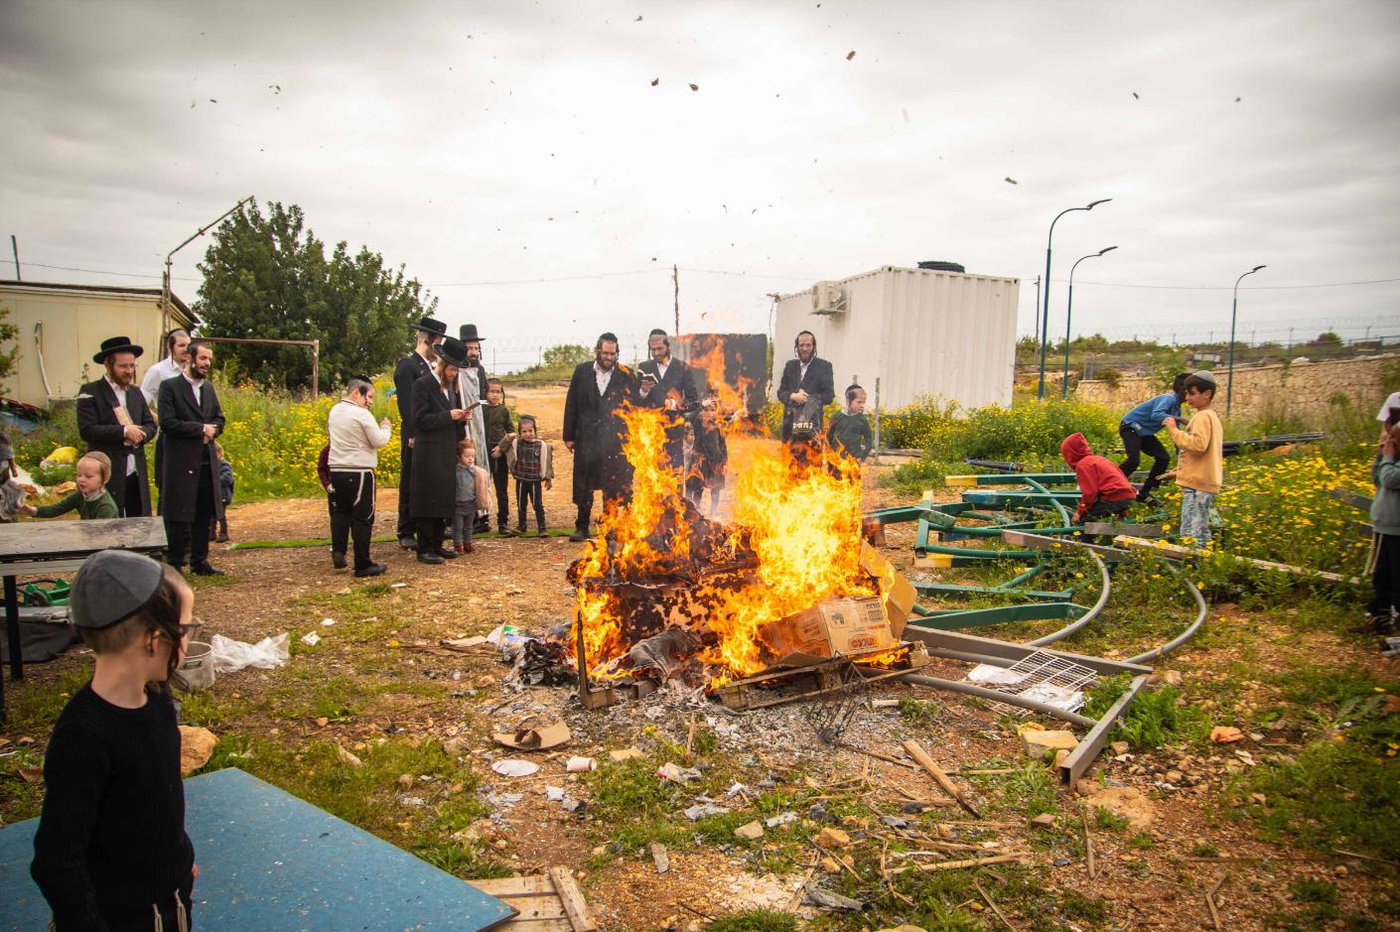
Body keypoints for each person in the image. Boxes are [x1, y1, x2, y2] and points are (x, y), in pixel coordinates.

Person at [30, 549, 198, 931]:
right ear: (154, 641)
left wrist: (178, 858)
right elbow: (57, 862)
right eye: (186, 629)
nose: (187, 639)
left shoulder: (156, 700)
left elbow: (158, 795)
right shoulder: (84, 737)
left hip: (170, 900)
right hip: (121, 918)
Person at [562, 332, 640, 542]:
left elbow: (634, 407)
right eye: (605, 353)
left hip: (614, 440)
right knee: (584, 482)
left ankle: (610, 527)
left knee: (611, 484)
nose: (608, 357)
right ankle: (581, 526)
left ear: (617, 353)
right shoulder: (582, 371)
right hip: (586, 437)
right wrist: (568, 435)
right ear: (597, 351)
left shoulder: (626, 374)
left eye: (612, 354)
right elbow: (571, 403)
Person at [157, 339, 226, 575]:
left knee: (203, 513)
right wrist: (200, 430)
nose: (207, 363)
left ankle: (200, 560)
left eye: (209, 359)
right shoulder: (170, 387)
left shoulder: (207, 388)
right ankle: (175, 562)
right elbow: (167, 423)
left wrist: (213, 429)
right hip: (180, 461)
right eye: (203, 358)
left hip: (206, 460)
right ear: (189, 358)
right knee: (178, 513)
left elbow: (219, 418)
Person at [77, 335, 158, 517]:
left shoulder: (136, 393)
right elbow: (87, 430)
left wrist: (142, 433)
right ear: (107, 364)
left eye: (131, 366)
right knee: (109, 523)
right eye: (123, 366)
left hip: (135, 469)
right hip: (108, 469)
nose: (128, 371)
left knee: (139, 521)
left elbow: (150, 424)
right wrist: (123, 431)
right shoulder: (90, 392)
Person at [410, 336, 473, 564]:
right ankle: (424, 547)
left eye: (456, 370)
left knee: (443, 499)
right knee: (428, 500)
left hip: (446, 452)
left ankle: (437, 544)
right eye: (452, 369)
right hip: (428, 454)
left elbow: (451, 422)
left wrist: (462, 419)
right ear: (442, 364)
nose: (454, 374)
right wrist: (448, 416)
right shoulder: (422, 385)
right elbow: (419, 420)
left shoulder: (450, 390)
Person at [327, 375, 393, 577]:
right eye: (369, 397)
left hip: (336, 469)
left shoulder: (335, 411)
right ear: (357, 393)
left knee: (340, 514)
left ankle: (339, 550)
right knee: (363, 518)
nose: (370, 402)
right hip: (359, 471)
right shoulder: (361, 414)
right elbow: (378, 441)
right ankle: (363, 563)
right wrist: (386, 428)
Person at [393, 316, 446, 550]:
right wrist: (413, 432)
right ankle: (405, 529)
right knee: (410, 480)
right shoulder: (408, 365)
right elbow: (406, 404)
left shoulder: (429, 366)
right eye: (439, 341)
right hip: (415, 433)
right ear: (429, 340)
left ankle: (424, 527)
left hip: (430, 433)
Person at [1164, 371, 1224, 547]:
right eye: (1186, 393)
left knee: (1190, 533)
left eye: (1192, 393)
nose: (1187, 397)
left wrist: (1173, 430)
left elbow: (1198, 446)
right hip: (1203, 481)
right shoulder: (1210, 416)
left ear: (1207, 394)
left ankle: (1194, 568)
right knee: (1201, 528)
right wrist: (1180, 470)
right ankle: (1208, 565)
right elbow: (1203, 452)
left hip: (1197, 484)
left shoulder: (1202, 416)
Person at [1118, 373, 1189, 506]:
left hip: (1143, 432)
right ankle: (1110, 485)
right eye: (1190, 390)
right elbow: (1156, 414)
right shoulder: (1169, 399)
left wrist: (1182, 456)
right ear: (1182, 389)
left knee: (1163, 458)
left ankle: (1144, 493)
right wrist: (1179, 419)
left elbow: (1176, 434)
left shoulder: (1177, 408)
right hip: (1131, 426)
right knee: (1133, 460)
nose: (1191, 395)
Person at [637, 328, 699, 471]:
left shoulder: (683, 367)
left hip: (675, 434)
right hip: (650, 434)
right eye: (653, 350)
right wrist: (643, 391)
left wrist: (673, 404)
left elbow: (693, 401)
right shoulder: (644, 367)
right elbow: (636, 402)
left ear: (668, 346)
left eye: (660, 348)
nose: (656, 353)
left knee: (675, 481)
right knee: (652, 483)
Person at [457, 324, 492, 534]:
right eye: (470, 348)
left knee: (480, 468)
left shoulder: (479, 370)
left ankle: (483, 515)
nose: (473, 352)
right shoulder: (457, 369)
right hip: (462, 423)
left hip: (478, 424)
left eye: (476, 348)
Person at [1060, 432, 1138, 526]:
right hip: (1129, 496)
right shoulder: (1100, 460)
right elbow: (1120, 480)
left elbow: (1090, 493)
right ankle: (1105, 539)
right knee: (1109, 523)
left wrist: (1079, 512)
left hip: (1113, 497)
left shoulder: (1083, 464)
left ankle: (1082, 541)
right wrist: (1122, 508)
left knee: (1083, 520)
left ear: (1071, 453)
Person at [1367, 421, 1400, 635]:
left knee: (1397, 578)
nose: (1389, 443)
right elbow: (1378, 480)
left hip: (1397, 530)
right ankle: (1380, 620)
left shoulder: (1395, 466)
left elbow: (1390, 480)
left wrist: (1387, 457)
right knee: (1382, 577)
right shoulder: (1392, 462)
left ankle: (1396, 622)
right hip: (1384, 527)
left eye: (1393, 441)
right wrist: (1380, 458)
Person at [776, 330, 835, 444]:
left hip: (812, 429)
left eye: (808, 345)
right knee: (788, 461)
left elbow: (829, 396)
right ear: (797, 347)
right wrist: (793, 396)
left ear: (814, 347)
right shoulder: (790, 366)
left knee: (812, 461)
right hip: (790, 429)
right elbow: (781, 393)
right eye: (801, 345)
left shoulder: (824, 366)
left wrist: (807, 398)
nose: (804, 348)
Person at [20, 452, 119, 520]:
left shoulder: (105, 507)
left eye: (88, 476)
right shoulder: (81, 495)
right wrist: (33, 511)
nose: (81, 479)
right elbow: (57, 508)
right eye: (79, 475)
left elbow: (101, 535)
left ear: (105, 479)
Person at [502, 414, 554, 535]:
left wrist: (548, 478)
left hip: (535, 480)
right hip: (521, 479)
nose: (527, 434)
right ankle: (522, 526)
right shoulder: (517, 443)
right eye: (523, 431)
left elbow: (547, 462)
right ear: (519, 432)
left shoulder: (541, 445)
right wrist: (510, 436)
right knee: (521, 504)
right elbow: (503, 446)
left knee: (537, 504)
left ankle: (542, 528)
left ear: (535, 430)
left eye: (530, 431)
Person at [483, 379, 515, 534]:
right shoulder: (480, 409)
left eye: (498, 392)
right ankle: (480, 522)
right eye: (492, 391)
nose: (495, 395)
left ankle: (503, 522)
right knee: (480, 487)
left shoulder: (503, 410)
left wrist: (501, 448)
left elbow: (511, 432)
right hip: (481, 452)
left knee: (501, 489)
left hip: (498, 454)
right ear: (485, 392)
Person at [684, 402, 727, 514]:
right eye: (706, 410)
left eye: (712, 410)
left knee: (715, 490)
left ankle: (714, 513)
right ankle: (695, 510)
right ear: (703, 412)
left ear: (716, 413)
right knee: (697, 487)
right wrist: (701, 406)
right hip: (700, 462)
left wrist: (724, 463)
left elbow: (723, 446)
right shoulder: (698, 424)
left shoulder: (718, 427)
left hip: (716, 462)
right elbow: (690, 416)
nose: (709, 412)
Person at [451, 439, 491, 554]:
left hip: (470, 504)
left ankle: (468, 543)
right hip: (458, 505)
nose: (470, 459)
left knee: (468, 527)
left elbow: (482, 487)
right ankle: (457, 545)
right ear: (459, 456)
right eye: (467, 456)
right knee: (457, 527)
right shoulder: (456, 472)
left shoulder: (476, 472)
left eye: (472, 456)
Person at [140, 328, 190, 405]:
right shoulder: (157, 370)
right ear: (169, 347)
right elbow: (141, 403)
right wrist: (156, 416)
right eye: (181, 345)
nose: (186, 349)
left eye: (188, 345)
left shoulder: (192, 369)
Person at [826, 384, 873, 463]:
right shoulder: (836, 416)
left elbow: (869, 441)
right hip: (836, 460)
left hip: (853, 462)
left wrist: (861, 458)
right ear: (848, 401)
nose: (862, 405)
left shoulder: (862, 420)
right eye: (859, 402)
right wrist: (829, 456)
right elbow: (828, 438)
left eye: (863, 402)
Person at [210, 442, 234, 543]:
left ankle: (224, 533)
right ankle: (211, 533)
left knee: (221, 515)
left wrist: (215, 481)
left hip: (222, 495)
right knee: (211, 516)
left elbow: (228, 479)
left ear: (219, 453)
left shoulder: (224, 465)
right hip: (213, 495)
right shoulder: (210, 465)